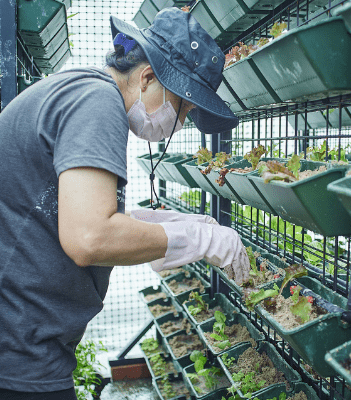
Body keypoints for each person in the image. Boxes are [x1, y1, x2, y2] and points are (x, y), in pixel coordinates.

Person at [0, 8, 250, 399]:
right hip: (18, 351)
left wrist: (165, 224)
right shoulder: (98, 102)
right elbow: (89, 237)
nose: (180, 124)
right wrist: (194, 241)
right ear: (148, 77)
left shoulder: (79, 90)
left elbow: (60, 214)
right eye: (183, 108)